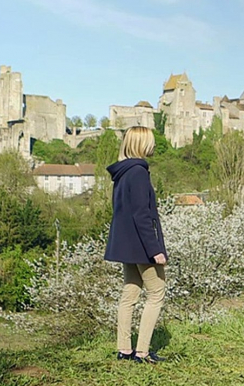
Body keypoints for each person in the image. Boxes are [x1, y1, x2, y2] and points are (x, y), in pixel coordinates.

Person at [104, 126, 168, 364]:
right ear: (142, 144)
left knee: (129, 295)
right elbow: (142, 215)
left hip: (126, 245)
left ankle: (124, 350)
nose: (153, 146)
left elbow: (124, 213)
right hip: (142, 246)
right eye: (150, 142)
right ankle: (141, 352)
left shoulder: (122, 173)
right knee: (156, 293)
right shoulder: (139, 172)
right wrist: (155, 250)